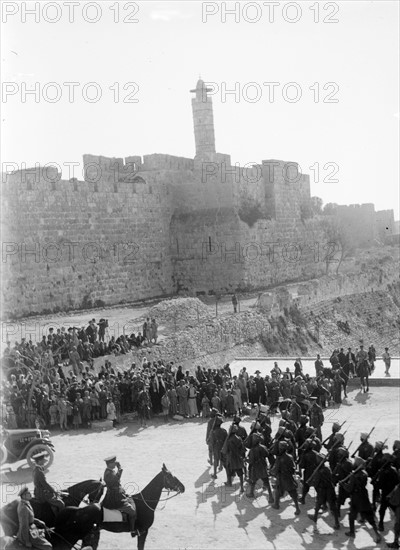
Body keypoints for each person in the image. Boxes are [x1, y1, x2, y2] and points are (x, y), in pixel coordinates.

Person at [343, 457, 381, 543]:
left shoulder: (353, 476)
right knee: (369, 516)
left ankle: (352, 532)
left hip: (356, 498)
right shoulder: (364, 473)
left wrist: (343, 484)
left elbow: (349, 489)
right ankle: (377, 533)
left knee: (352, 516)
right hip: (364, 496)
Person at [102, 456, 139, 538]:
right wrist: (120, 469)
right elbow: (116, 479)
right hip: (114, 498)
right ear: (110, 463)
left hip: (116, 494)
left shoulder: (110, 471)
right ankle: (132, 530)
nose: (115, 463)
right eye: (114, 462)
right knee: (132, 512)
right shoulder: (109, 473)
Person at [271, 441, 300, 516]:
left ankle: (276, 504)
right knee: (293, 493)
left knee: (278, 491)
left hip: (281, 478)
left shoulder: (279, 458)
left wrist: (271, 472)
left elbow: (275, 469)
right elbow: (293, 468)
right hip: (289, 477)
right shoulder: (290, 456)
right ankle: (297, 508)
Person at [247, 432, 274, 502]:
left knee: (253, 481)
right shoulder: (263, 447)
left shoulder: (252, 450)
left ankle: (251, 493)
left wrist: (246, 460)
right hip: (263, 466)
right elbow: (267, 454)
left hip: (256, 467)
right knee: (266, 482)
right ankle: (271, 496)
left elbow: (251, 461)